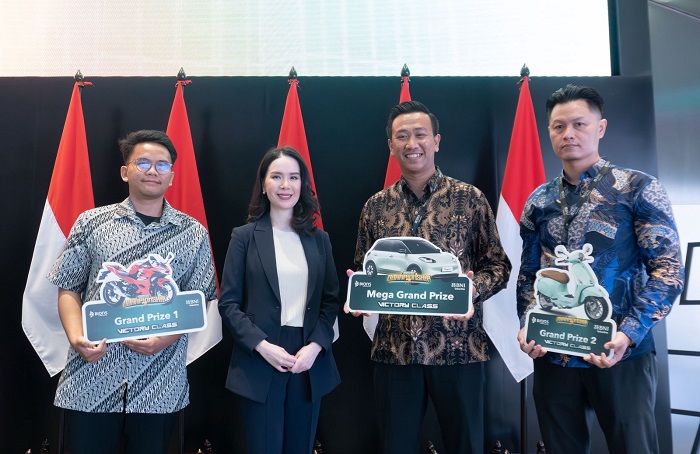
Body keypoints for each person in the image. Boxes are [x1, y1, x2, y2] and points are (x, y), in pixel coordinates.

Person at [517, 85, 685, 453]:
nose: (569, 134)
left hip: (621, 352)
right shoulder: (538, 200)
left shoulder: (638, 188)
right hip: (555, 352)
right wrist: (528, 324)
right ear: (549, 132)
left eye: (579, 124)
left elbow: (668, 272)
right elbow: (530, 274)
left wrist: (628, 334)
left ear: (601, 127)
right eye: (559, 126)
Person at [349, 100, 512, 454]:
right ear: (391, 146)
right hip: (394, 353)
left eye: (420, 134)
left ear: (436, 141)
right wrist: (360, 294)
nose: (412, 144)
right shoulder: (375, 207)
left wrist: (469, 291)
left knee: (466, 446)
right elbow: (364, 268)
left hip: (459, 350)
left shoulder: (470, 199)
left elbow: (498, 266)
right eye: (402, 136)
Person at [48, 129, 217, 454]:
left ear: (171, 176)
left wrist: (163, 339)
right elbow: (68, 287)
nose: (153, 171)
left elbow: (198, 302)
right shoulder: (91, 223)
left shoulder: (193, 233)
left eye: (162, 165)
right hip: (92, 378)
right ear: (125, 171)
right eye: (143, 162)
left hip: (160, 383)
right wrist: (76, 337)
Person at [218, 146, 341, 453]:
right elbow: (229, 303)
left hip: (307, 357)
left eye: (294, 177)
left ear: (303, 184)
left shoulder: (320, 240)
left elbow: (330, 302)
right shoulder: (244, 237)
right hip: (260, 356)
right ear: (263, 184)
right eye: (276, 177)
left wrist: (315, 347)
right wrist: (262, 346)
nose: (286, 185)